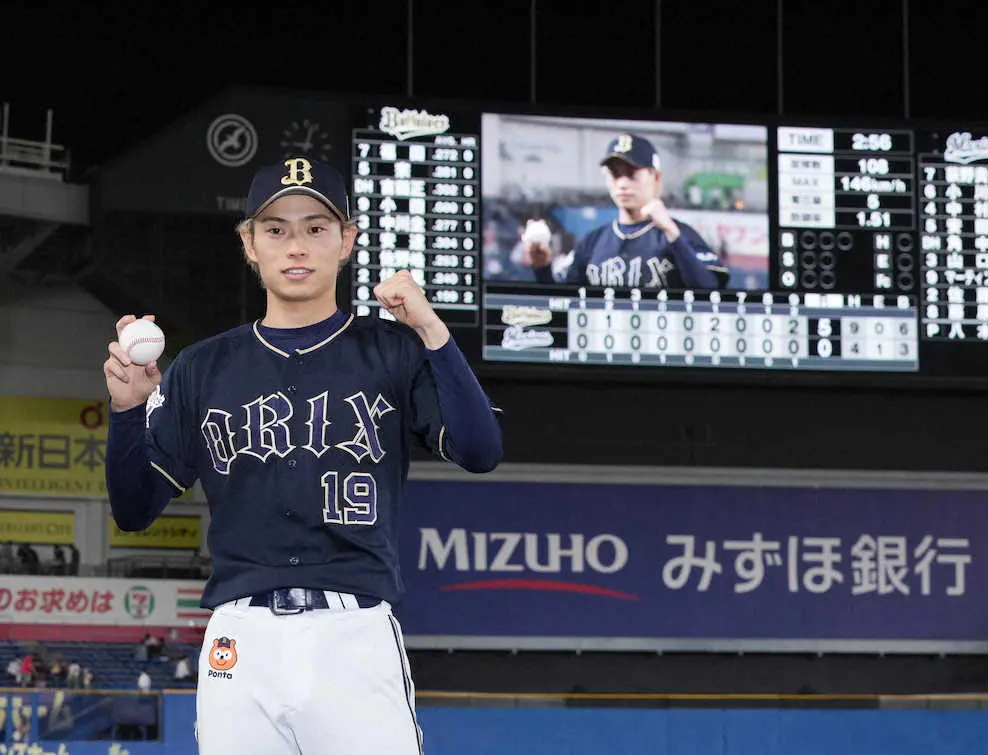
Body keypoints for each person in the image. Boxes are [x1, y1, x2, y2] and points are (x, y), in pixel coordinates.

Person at [102, 155, 503, 755]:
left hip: (353, 630)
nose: (296, 245)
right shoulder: (202, 367)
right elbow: (133, 509)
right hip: (240, 639)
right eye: (276, 229)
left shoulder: (391, 351)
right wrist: (130, 410)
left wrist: (433, 333)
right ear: (249, 244)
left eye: (316, 228)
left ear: (346, 242)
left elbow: (481, 450)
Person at [527, 133, 728, 290]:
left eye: (632, 174)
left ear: (655, 178)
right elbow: (561, 302)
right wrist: (542, 266)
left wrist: (672, 234)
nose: (622, 184)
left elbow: (709, 289)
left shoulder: (680, 234)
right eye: (615, 175)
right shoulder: (593, 242)